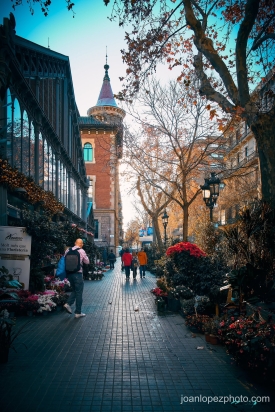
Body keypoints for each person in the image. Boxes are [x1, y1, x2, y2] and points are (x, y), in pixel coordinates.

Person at [63, 238, 89, 318]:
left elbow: (64, 259)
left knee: (74, 290)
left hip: (69, 274)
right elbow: (87, 262)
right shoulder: (81, 251)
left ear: (75, 243)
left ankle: (68, 304)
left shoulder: (67, 250)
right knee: (79, 292)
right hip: (78, 274)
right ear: (81, 244)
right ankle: (78, 312)